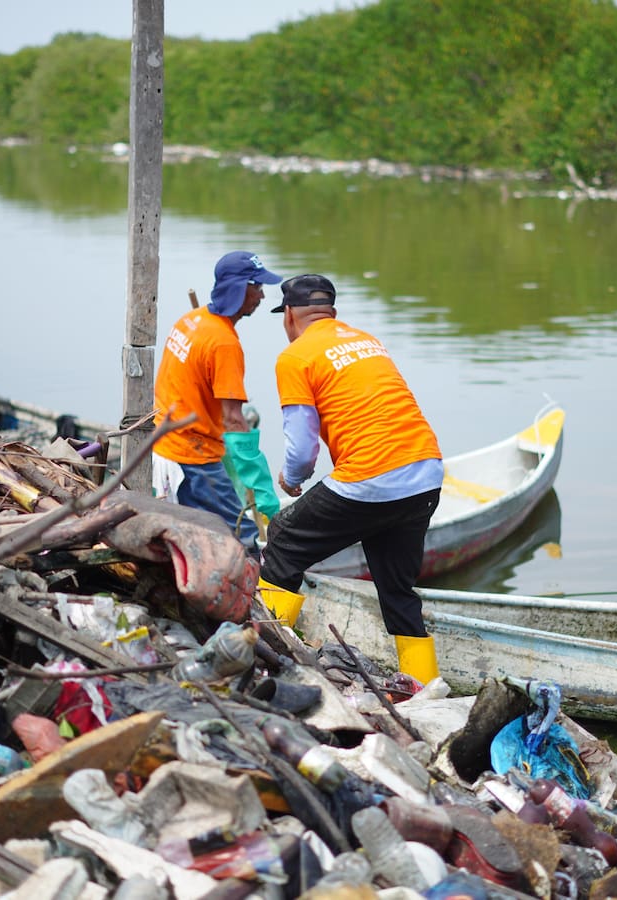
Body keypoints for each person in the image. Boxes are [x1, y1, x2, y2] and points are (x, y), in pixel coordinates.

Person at [258, 274, 445, 683]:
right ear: (332, 313)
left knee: (285, 539)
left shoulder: (295, 356)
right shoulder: (367, 340)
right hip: (425, 472)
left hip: (372, 477)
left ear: (289, 315)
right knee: (397, 588)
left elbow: (303, 448)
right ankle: (423, 685)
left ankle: (263, 658)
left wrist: (292, 480)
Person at [151, 251, 282, 554]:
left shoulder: (192, 320)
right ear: (239, 288)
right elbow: (234, 418)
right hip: (192, 456)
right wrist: (257, 478)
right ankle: (257, 596)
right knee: (243, 534)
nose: (262, 296)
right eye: (258, 287)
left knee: (195, 529)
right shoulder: (224, 343)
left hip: (164, 441)